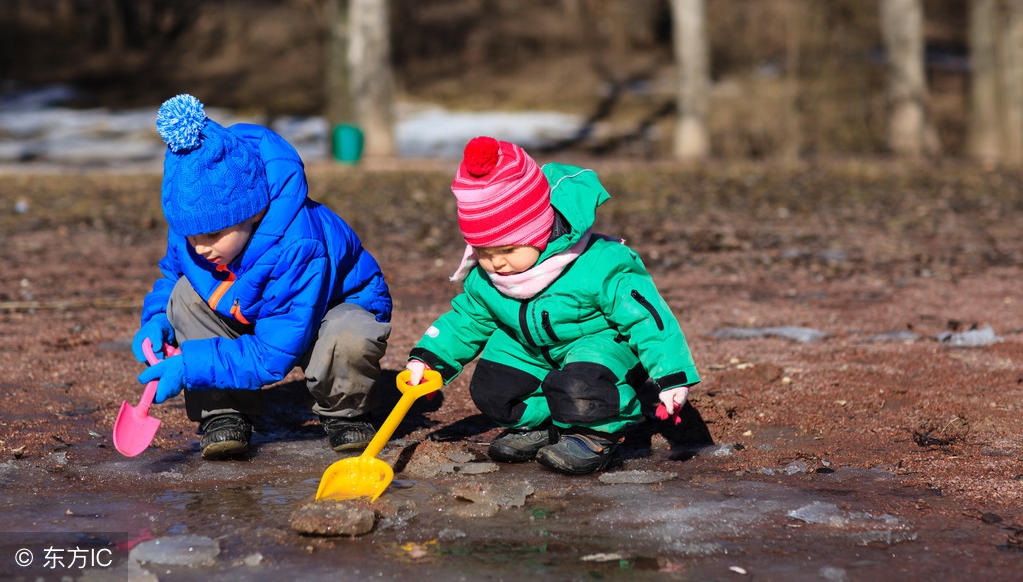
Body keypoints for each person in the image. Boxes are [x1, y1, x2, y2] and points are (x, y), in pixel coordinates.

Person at [405, 136, 699, 475]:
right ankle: (543, 425)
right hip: (534, 348)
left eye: (507, 251)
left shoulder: (598, 264)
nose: (496, 263)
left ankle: (594, 436)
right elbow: (466, 320)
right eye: (484, 253)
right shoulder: (486, 279)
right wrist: (428, 360)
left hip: (600, 346)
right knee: (492, 387)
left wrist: (671, 376)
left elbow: (648, 320)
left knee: (581, 385)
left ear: (538, 231)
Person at [132, 94, 392, 460]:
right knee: (184, 296)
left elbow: (273, 353)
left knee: (346, 337)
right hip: (253, 308)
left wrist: (193, 364)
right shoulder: (195, 228)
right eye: (190, 235)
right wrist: (158, 317)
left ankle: (344, 411)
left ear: (252, 215)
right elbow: (173, 271)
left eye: (211, 236)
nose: (200, 247)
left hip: (327, 310)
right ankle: (223, 413)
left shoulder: (298, 246)